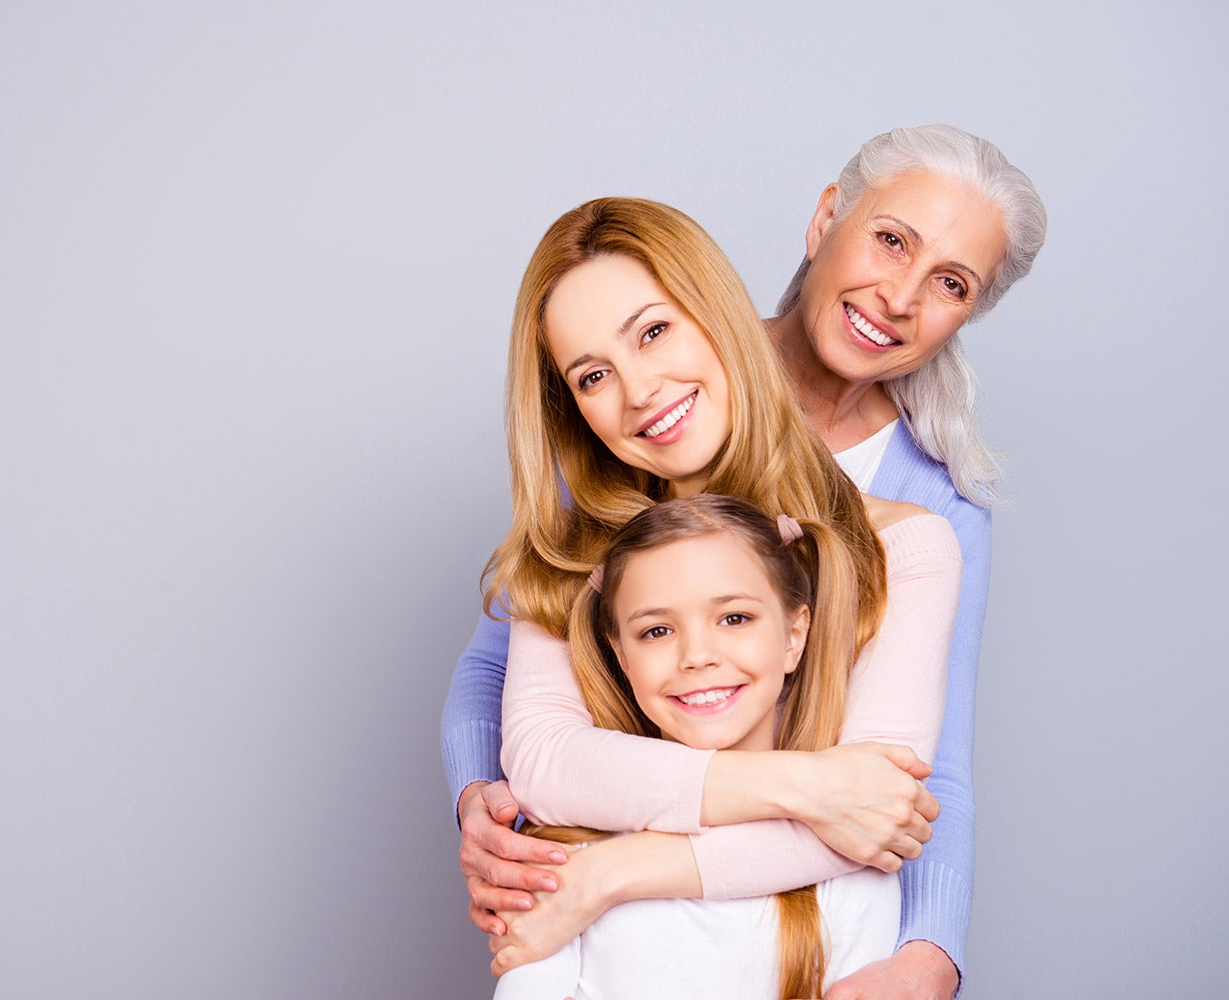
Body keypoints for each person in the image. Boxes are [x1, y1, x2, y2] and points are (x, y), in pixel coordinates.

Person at [442, 126, 1045, 998]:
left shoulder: (915, 530)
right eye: (590, 376)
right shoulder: (592, 508)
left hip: (812, 940)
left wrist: (929, 958)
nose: (640, 389)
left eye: (951, 281)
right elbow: (530, 734)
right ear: (826, 217)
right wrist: (482, 798)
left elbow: (906, 789)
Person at [492, 494, 960, 1000]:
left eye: (734, 618)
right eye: (657, 630)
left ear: (794, 635)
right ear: (621, 656)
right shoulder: (562, 863)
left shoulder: (851, 864)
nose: (697, 656)